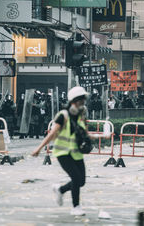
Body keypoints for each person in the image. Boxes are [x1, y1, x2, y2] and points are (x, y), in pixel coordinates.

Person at [31, 86, 91, 216]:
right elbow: (52, 134)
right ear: (74, 101)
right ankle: (76, 207)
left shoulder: (81, 116)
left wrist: (100, 137)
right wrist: (39, 148)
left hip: (76, 152)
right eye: (81, 100)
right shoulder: (62, 116)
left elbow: (83, 133)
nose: (83, 103)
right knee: (75, 178)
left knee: (81, 181)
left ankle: (60, 189)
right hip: (63, 153)